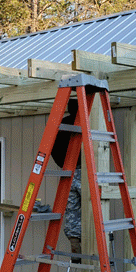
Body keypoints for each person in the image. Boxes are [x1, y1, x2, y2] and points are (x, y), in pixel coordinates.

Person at [51, 100, 82, 260]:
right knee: (92, 207)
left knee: (72, 210)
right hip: (84, 171)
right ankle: (94, 246)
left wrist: (64, 164)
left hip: (68, 172)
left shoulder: (62, 124)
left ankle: (75, 244)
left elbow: (54, 149)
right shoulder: (86, 122)